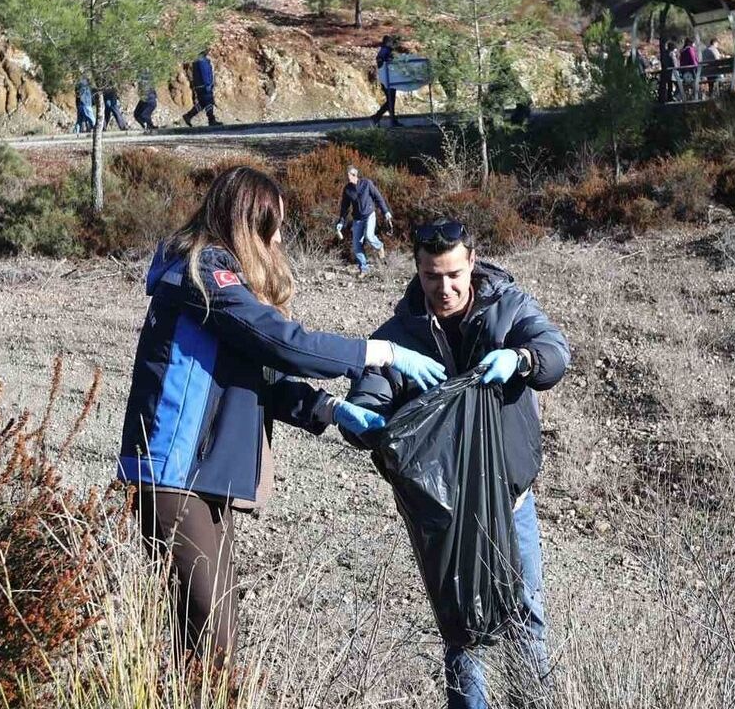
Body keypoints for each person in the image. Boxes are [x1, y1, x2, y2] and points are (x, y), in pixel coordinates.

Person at [118, 166, 446, 672]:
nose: (276, 241)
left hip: (202, 481)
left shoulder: (215, 280)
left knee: (208, 634)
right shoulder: (202, 274)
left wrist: (333, 409)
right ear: (247, 222)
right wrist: (381, 352)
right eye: (271, 228)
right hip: (171, 476)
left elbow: (260, 376)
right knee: (211, 637)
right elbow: (284, 344)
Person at [342, 218, 570, 709]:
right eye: (430, 276)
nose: (443, 288)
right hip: (445, 515)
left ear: (472, 262)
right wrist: (362, 414)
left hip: (511, 502)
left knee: (525, 619)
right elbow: (373, 390)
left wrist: (522, 359)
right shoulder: (399, 334)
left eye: (452, 275)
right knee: (462, 628)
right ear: (417, 270)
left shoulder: (508, 308)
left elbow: (555, 352)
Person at [334, 166, 393, 275]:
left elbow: (378, 197)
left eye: (349, 176)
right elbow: (344, 208)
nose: (347, 179)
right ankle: (363, 269)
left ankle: (379, 246)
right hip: (357, 219)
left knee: (369, 236)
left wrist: (386, 212)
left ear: (354, 175)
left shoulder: (367, 184)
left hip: (369, 215)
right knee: (356, 246)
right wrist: (341, 222)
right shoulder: (347, 189)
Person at [182, 49, 221, 127]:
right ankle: (211, 120)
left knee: (203, 103)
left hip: (199, 85)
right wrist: (208, 84)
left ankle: (188, 116)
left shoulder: (197, 60)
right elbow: (204, 74)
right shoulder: (201, 60)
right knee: (208, 101)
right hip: (204, 85)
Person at [371, 35, 402, 127]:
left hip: (388, 78)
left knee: (391, 100)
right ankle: (379, 116)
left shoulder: (385, 50)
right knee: (391, 101)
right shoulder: (386, 50)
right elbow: (381, 61)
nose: (392, 44)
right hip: (387, 79)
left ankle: (382, 117)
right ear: (388, 42)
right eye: (391, 42)